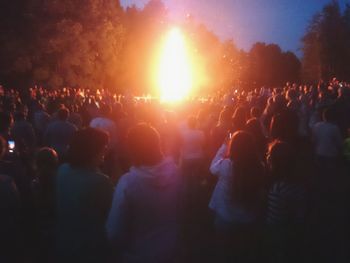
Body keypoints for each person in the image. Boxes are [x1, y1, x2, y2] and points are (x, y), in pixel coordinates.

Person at [106, 123, 182, 263]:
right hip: (170, 246)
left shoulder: (127, 183)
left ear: (132, 150)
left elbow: (114, 231)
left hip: (137, 253)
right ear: (158, 144)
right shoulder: (177, 173)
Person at [55, 128, 113, 263]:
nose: (105, 152)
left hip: (64, 241)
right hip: (89, 248)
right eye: (103, 148)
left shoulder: (62, 170)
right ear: (93, 152)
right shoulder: (100, 181)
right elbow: (111, 216)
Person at [209, 131, 266, 262]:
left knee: (224, 253)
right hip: (249, 219)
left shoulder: (226, 165)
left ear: (233, 146)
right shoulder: (259, 167)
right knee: (243, 254)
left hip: (225, 218)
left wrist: (223, 147)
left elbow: (212, 168)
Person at [265, 140, 306, 262]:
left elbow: (274, 218)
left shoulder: (278, 188)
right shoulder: (299, 183)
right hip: (296, 228)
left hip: (280, 231)